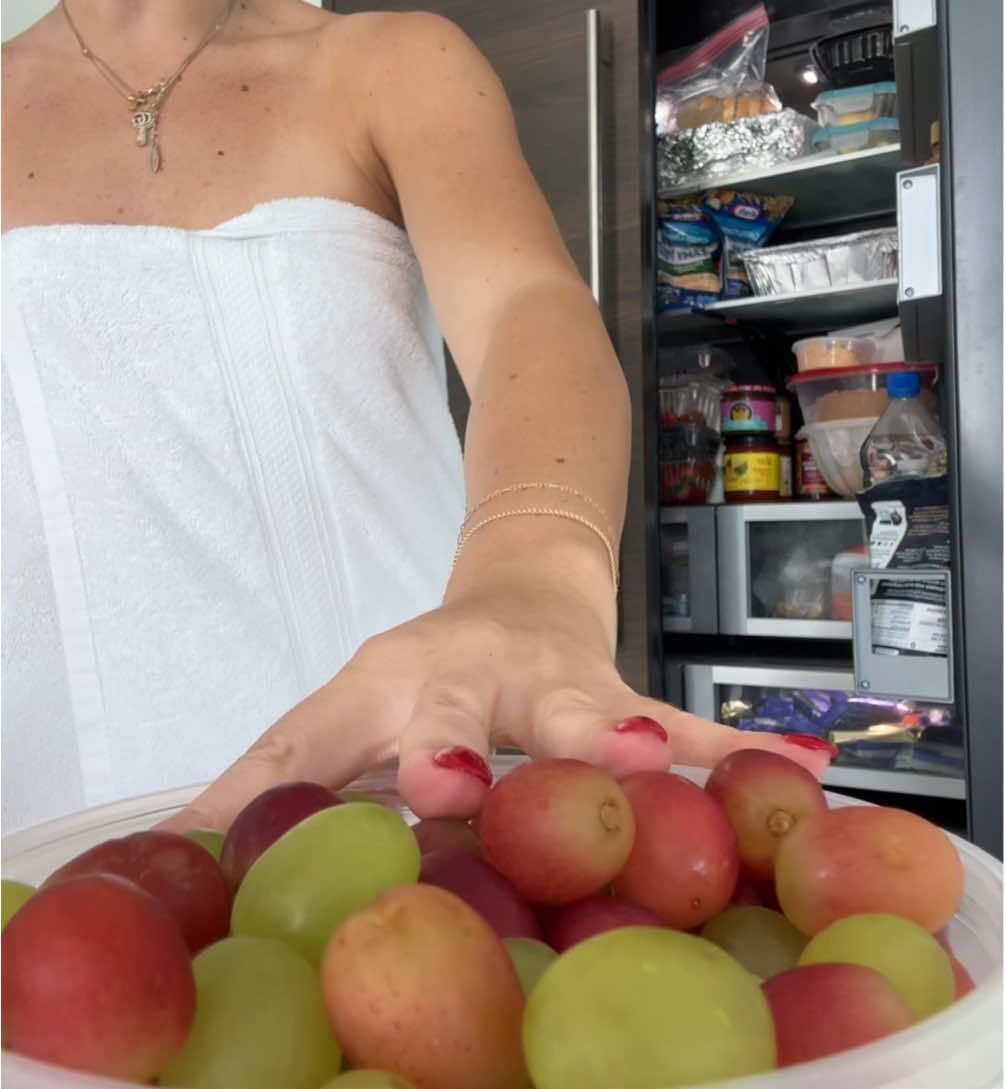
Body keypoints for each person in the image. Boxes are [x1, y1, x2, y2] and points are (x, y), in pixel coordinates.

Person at [1, 0, 833, 838]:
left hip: (428, 780)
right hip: (46, 827)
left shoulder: (391, 63)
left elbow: (524, 311)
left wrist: (532, 574)